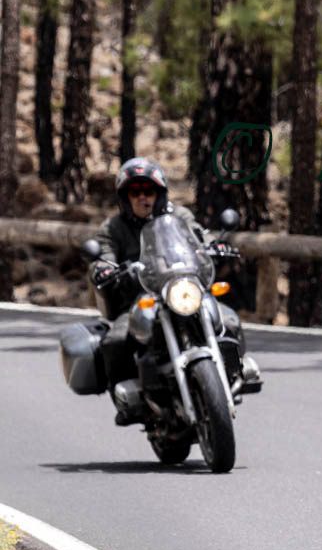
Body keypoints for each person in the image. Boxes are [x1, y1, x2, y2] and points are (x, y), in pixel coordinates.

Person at [87, 158, 259, 421]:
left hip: (182, 288)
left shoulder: (179, 216)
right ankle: (127, 402)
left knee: (229, 321)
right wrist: (103, 268)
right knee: (116, 340)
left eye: (148, 191)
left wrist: (215, 245)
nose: (143, 197)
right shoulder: (112, 228)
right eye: (135, 192)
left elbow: (198, 235)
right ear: (125, 197)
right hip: (139, 299)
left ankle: (235, 372)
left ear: (159, 193)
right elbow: (103, 255)